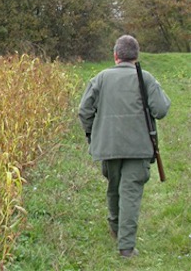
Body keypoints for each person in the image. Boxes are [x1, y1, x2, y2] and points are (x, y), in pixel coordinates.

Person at [78, 35, 171, 258]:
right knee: (130, 194)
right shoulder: (145, 78)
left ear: (115, 55)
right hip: (138, 147)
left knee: (114, 187)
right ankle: (126, 247)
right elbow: (161, 109)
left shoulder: (100, 78)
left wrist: (93, 135)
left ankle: (116, 227)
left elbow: (84, 111)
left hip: (108, 146)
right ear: (136, 56)